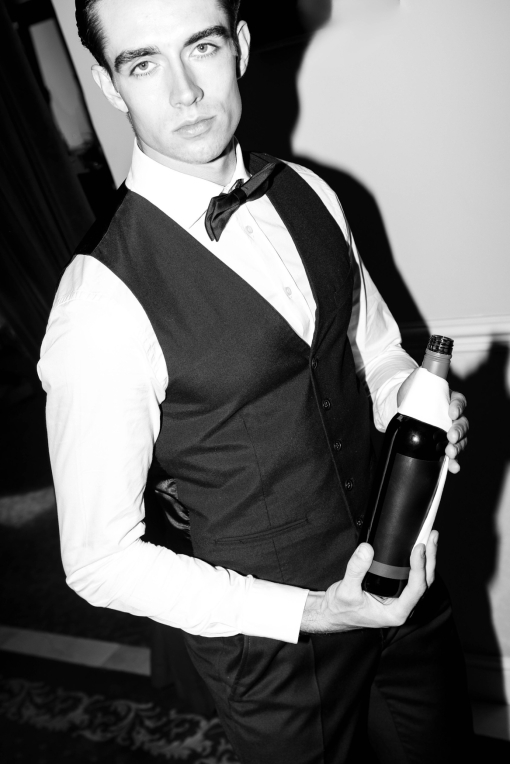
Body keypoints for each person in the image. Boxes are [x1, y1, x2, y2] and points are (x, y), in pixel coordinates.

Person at [38, 0, 472, 761]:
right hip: (273, 655)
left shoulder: (311, 191)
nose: (184, 92)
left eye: (201, 47)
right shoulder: (98, 302)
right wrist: (316, 611)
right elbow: (99, 560)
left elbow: (372, 350)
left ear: (238, 44)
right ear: (109, 84)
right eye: (143, 63)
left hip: (403, 584)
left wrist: (413, 399)